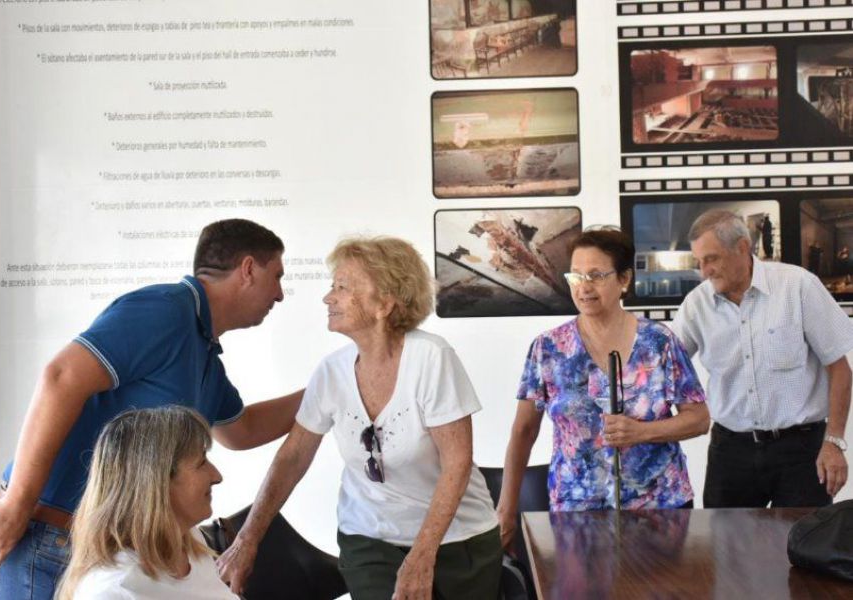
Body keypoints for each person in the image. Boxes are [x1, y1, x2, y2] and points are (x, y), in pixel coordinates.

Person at [0, 219, 303, 600]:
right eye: (276, 276)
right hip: (45, 541)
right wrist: (17, 503)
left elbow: (242, 430)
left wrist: (334, 384)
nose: (279, 295)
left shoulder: (206, 353)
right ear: (247, 270)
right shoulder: (164, 311)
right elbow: (60, 378)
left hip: (99, 550)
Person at [217, 236, 502, 599]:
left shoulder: (431, 358)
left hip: (459, 541)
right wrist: (247, 541)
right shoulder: (331, 373)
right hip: (370, 540)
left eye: (342, 287)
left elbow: (457, 462)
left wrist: (422, 554)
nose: (328, 297)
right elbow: (292, 458)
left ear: (385, 303)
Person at [497, 227, 709, 548]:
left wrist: (642, 432)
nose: (583, 287)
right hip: (576, 511)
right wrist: (506, 507)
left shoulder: (659, 341)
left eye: (596, 275)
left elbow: (699, 418)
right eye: (576, 276)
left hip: (659, 507)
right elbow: (523, 432)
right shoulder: (549, 348)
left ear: (624, 280)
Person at [671, 209, 853, 508]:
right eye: (699, 262)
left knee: (802, 547)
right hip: (731, 451)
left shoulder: (797, 286)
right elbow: (668, 368)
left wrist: (834, 442)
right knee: (727, 549)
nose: (704, 271)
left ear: (742, 247)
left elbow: (840, 368)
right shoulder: (696, 305)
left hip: (801, 450)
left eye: (712, 259)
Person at [56, 406, 237, 599]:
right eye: (201, 463)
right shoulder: (114, 590)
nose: (217, 476)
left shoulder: (190, 542)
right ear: (156, 483)